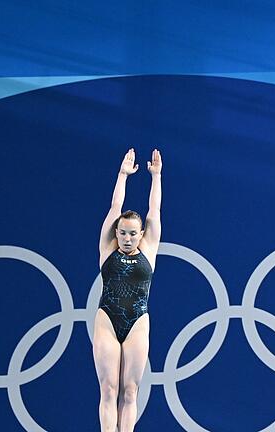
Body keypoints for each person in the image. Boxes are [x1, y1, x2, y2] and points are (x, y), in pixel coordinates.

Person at [93, 148, 162, 432]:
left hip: (138, 321)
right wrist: (122, 175)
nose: (127, 237)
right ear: (116, 233)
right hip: (107, 319)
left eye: (133, 233)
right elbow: (113, 209)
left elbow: (154, 212)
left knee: (130, 391)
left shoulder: (149, 248)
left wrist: (156, 177)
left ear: (142, 234)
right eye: (122, 232)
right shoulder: (107, 249)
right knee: (109, 389)